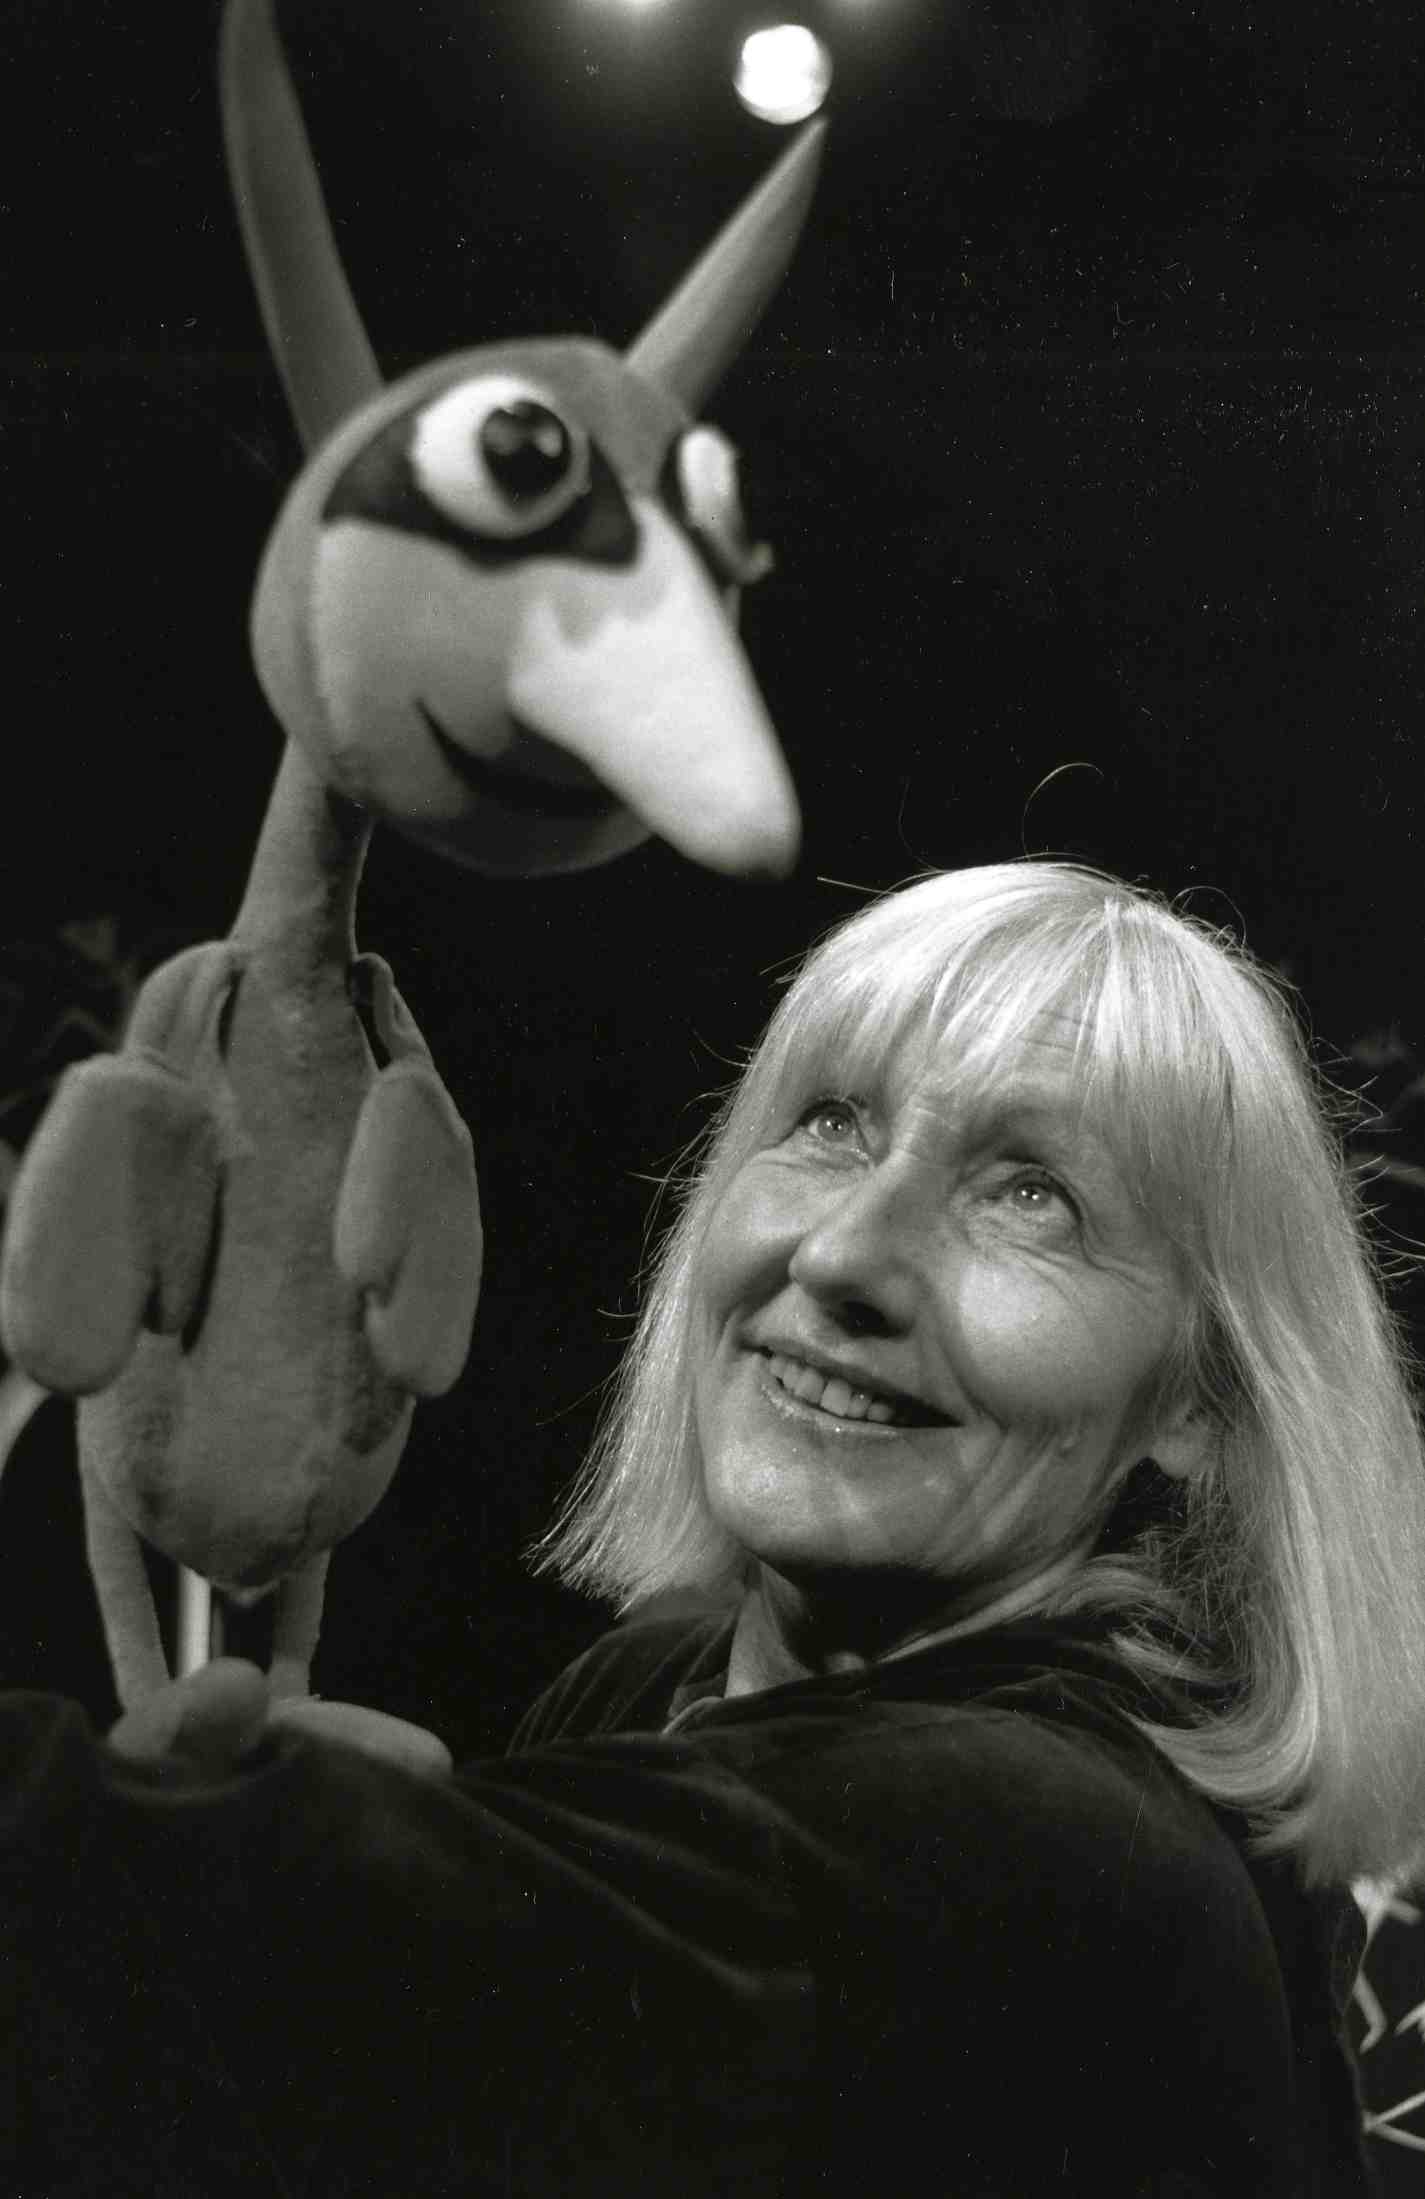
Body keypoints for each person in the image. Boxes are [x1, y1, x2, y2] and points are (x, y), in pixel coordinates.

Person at [6, 858, 1420, 2197]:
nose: (845, 1254)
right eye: (833, 1123)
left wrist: (287, 1863)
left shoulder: (1046, 1853)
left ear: (1203, 1399)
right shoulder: (658, 1676)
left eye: (1031, 1197)